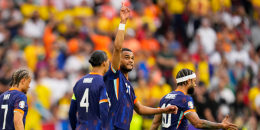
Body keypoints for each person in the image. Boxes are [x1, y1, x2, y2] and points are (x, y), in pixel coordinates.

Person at [103, 5, 178, 130]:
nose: (131, 60)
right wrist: (123, 22)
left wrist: (163, 110)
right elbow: (117, 48)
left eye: (132, 58)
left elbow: (140, 109)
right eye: (126, 57)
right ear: (118, 59)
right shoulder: (114, 76)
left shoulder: (129, 86)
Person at [150, 68, 238, 130]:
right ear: (188, 81)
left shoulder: (164, 98)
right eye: (193, 82)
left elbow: (155, 124)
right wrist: (221, 125)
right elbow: (198, 123)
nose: (195, 85)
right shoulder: (185, 99)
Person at [69, 50, 110, 130]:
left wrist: (75, 127)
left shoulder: (79, 83)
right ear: (104, 63)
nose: (109, 64)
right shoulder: (104, 83)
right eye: (108, 61)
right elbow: (103, 109)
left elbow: (71, 112)